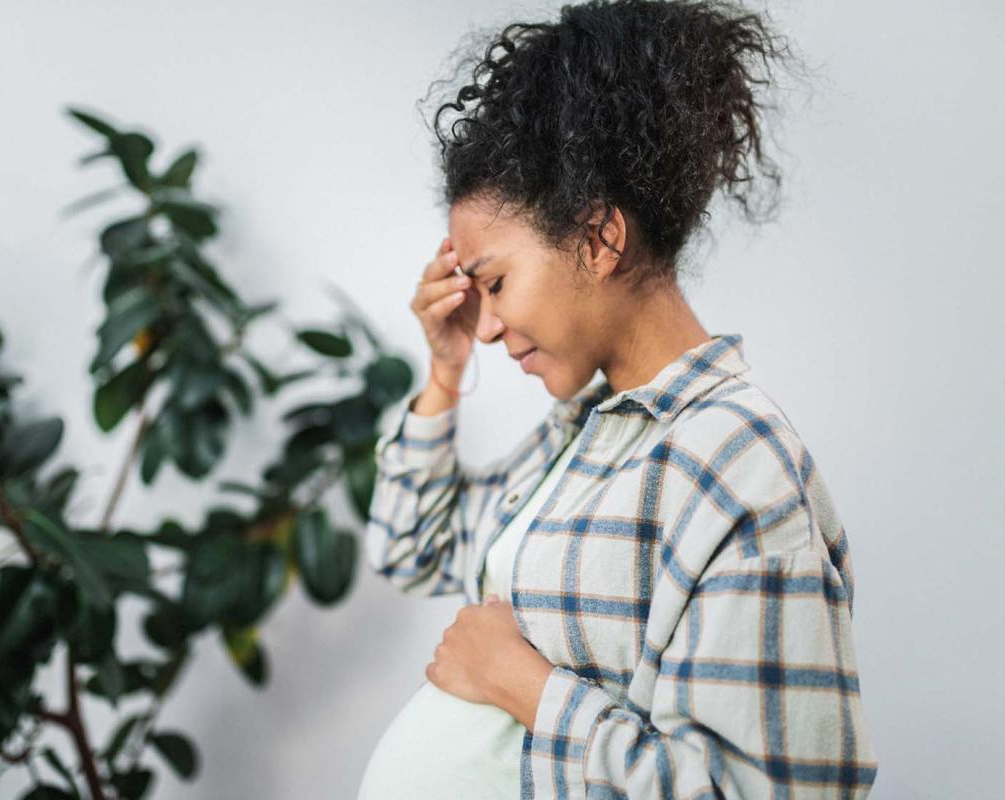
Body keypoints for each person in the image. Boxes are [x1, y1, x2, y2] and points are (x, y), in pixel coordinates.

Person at [356, 1, 877, 798]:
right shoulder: (585, 437)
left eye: (495, 282)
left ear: (598, 239)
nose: (486, 324)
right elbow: (408, 548)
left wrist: (523, 686)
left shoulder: (737, 465)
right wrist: (445, 369)